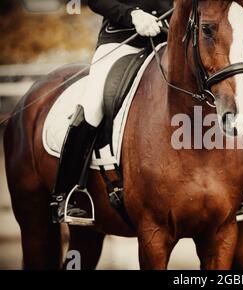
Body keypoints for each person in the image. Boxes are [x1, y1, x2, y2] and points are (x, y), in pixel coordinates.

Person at [51, 0, 172, 224]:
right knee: (92, 106)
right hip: (122, 40)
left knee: (208, 89)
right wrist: (132, 15)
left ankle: (228, 184)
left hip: (173, 41)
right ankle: (67, 194)